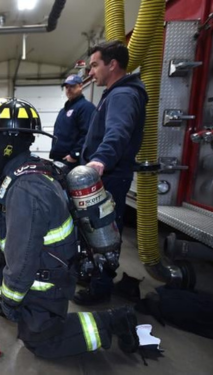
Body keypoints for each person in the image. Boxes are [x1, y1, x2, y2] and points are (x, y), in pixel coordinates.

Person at [0, 97, 139, 359]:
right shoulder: (20, 172)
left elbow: (23, 255)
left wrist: (12, 298)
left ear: (8, 143)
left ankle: (114, 321)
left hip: (48, 277)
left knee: (41, 342)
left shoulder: (26, 188)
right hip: (40, 259)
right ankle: (1, 301)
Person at [76, 40, 148, 306]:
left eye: (95, 65)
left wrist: (100, 161)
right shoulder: (115, 92)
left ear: (112, 64)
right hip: (108, 175)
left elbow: (118, 132)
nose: (91, 72)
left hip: (110, 177)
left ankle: (100, 288)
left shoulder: (122, 95)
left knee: (104, 234)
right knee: (94, 230)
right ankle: (94, 275)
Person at [50, 75, 95, 169]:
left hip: (73, 162)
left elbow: (87, 134)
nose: (69, 89)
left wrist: (74, 155)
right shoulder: (64, 110)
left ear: (80, 86)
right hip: (60, 159)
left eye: (72, 86)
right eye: (67, 87)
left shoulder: (86, 108)